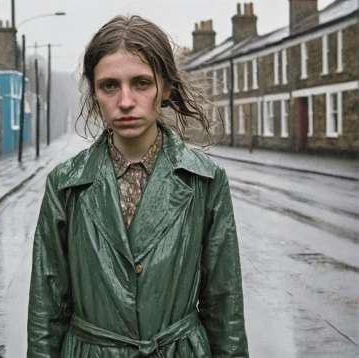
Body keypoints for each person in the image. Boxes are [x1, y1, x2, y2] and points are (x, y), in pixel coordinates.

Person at [27, 15, 249, 358]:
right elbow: (47, 307)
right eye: (110, 85)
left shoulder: (206, 179)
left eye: (142, 83)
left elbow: (224, 305)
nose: (126, 100)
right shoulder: (65, 184)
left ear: (167, 87)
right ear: (94, 91)